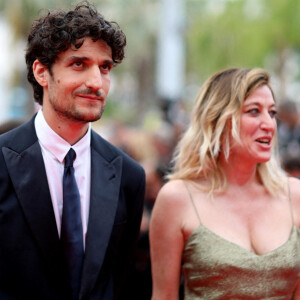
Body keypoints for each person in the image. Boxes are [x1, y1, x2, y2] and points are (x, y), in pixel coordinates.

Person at [0, 2, 145, 300]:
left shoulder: (129, 176)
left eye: (104, 68)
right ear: (42, 72)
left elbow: (121, 283)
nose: (96, 82)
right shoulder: (2, 160)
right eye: (79, 64)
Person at [150, 68, 300, 299]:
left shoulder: (294, 195)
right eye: (253, 111)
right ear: (218, 119)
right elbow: (164, 296)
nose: (269, 124)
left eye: (272, 113)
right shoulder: (178, 198)